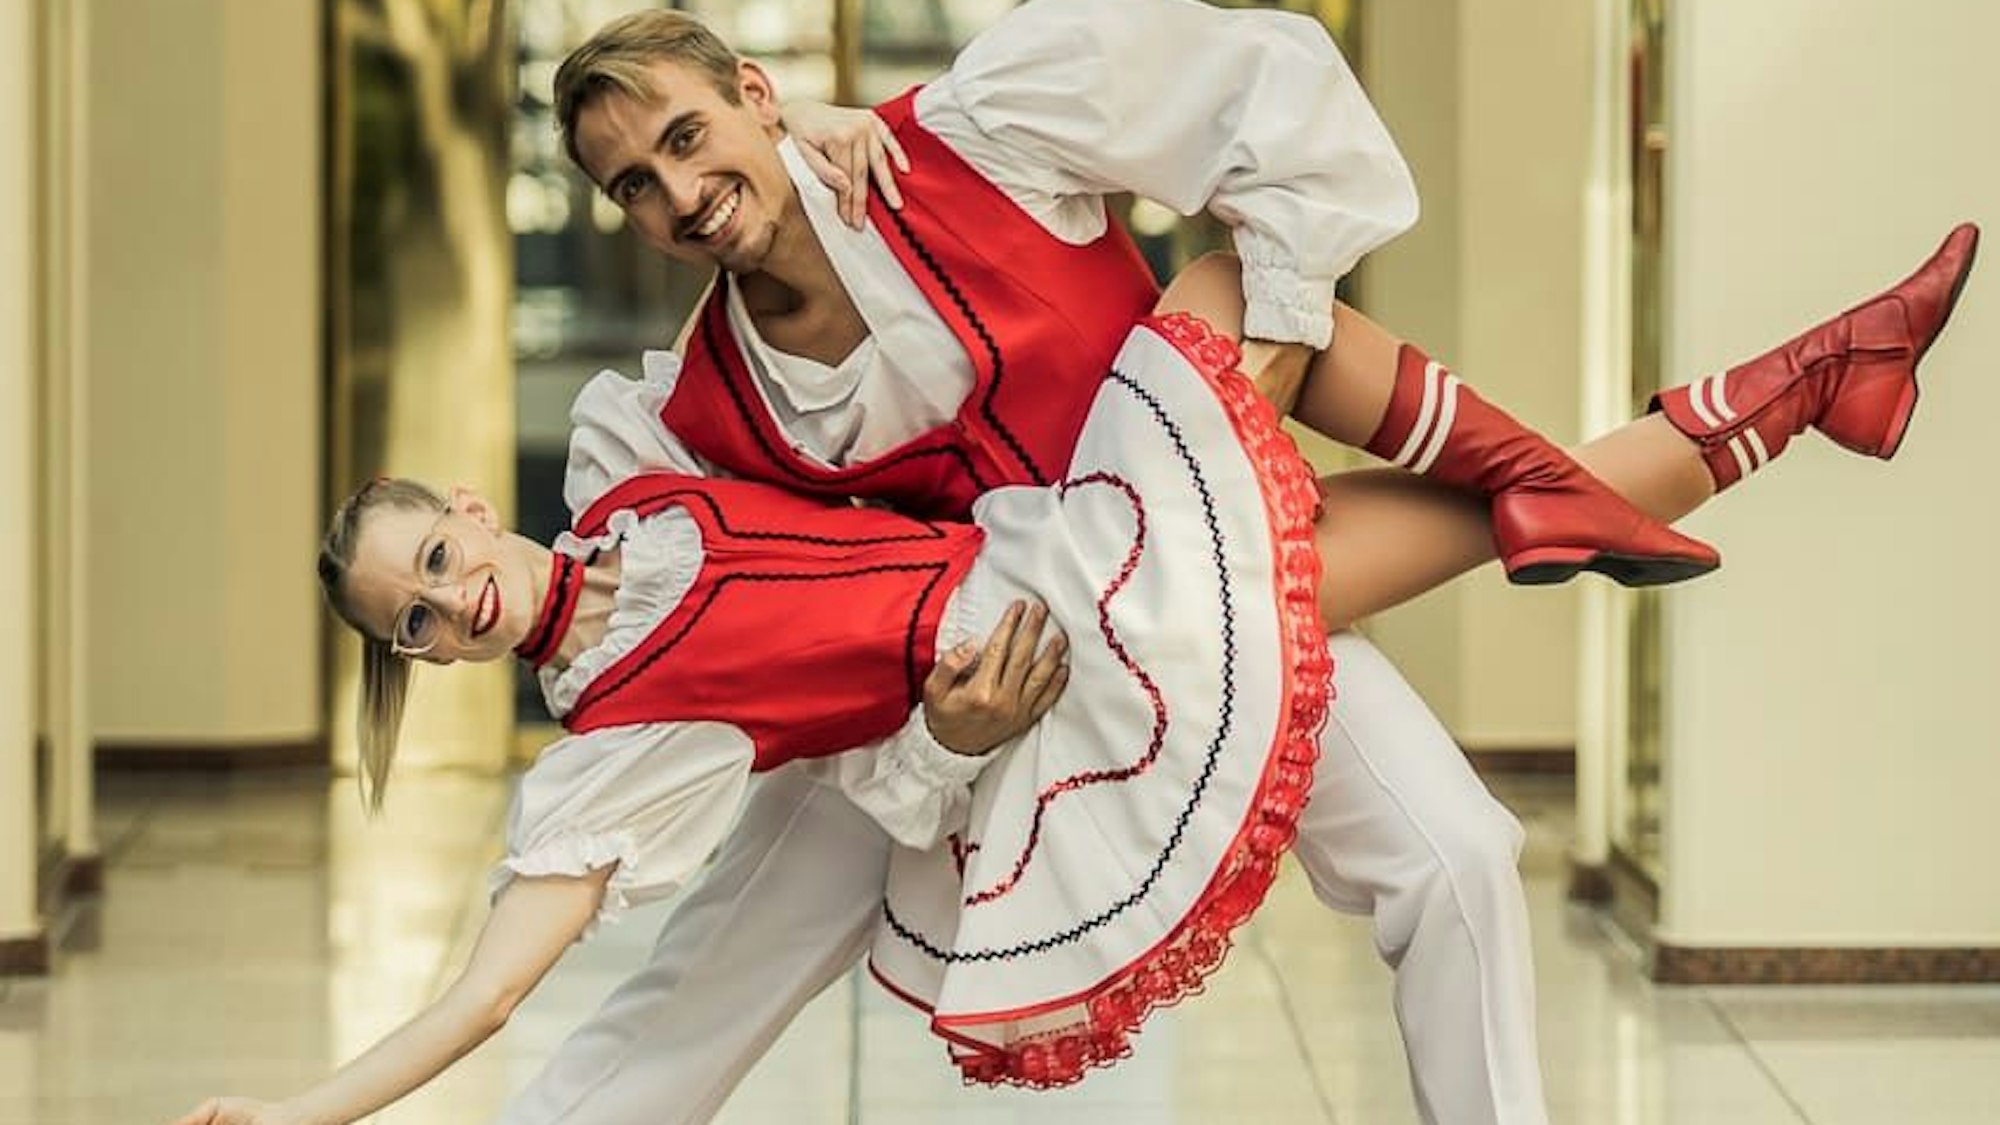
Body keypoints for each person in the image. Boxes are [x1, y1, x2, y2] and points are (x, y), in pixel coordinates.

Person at [492, 2, 1972, 1121]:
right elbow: (721, 622)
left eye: (686, 138)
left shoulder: (972, 129)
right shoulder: (691, 417)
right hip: (1041, 682)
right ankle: (1715, 422)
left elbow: (1256, 87)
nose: (674, 194)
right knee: (741, 928)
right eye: (631, 184)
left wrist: (1263, 340)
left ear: (756, 97)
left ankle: (1733, 415)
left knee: (1454, 855)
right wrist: (939, 741)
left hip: (1208, 577)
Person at [172, 214, 1977, 1122]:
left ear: (475, 508)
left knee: (1310, 358)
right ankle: (1766, 404)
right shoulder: (615, 743)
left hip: (1073, 544)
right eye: (413, 618)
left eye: (436, 558)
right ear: (422, 653)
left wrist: (815, 122)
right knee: (1283, 339)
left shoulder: (635, 452)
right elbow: (495, 998)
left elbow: (775, 248)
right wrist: (315, 1110)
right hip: (1074, 665)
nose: (450, 601)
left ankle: (1811, 386)